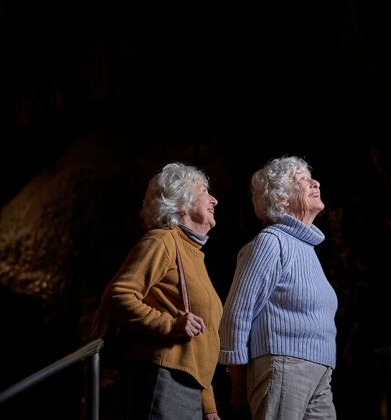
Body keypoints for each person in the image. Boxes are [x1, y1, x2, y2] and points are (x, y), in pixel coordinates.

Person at [99, 162, 224, 420]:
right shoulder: (163, 241)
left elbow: (203, 339)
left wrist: (208, 404)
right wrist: (171, 325)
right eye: (204, 191)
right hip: (164, 379)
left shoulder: (193, 254)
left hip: (188, 387)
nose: (215, 200)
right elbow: (117, 296)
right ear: (181, 202)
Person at [219, 156, 338, 419]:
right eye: (303, 180)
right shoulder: (272, 242)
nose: (315, 182)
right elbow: (237, 314)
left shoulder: (306, 249)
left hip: (320, 370)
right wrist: (238, 381)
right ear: (282, 198)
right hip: (284, 364)